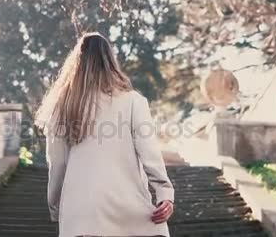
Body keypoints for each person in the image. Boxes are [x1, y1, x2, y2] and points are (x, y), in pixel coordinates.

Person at [35, 32, 174, 237]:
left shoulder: (62, 107)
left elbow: (58, 164)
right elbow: (149, 154)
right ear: (111, 61)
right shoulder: (133, 101)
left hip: (82, 213)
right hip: (128, 210)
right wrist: (165, 195)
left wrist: (56, 207)